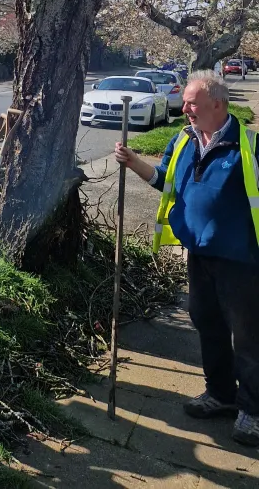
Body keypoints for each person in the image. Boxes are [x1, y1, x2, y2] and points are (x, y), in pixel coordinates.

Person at [115, 70, 259, 447]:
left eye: (192, 102)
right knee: (207, 324)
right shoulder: (183, 141)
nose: (185, 108)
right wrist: (133, 163)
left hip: (241, 261)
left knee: (248, 336)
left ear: (217, 103)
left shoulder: (249, 146)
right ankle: (221, 395)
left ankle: (253, 411)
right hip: (198, 254)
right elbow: (165, 180)